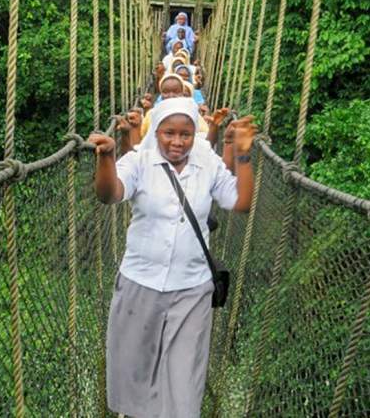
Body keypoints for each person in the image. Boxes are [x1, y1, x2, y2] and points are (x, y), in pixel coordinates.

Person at [88, 97, 256, 418]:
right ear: (157, 132)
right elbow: (109, 194)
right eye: (168, 133)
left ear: (196, 135)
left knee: (184, 382)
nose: (177, 142)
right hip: (140, 282)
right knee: (134, 375)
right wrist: (108, 157)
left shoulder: (207, 162)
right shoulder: (139, 159)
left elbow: (241, 202)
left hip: (192, 289)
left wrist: (244, 154)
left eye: (186, 134)